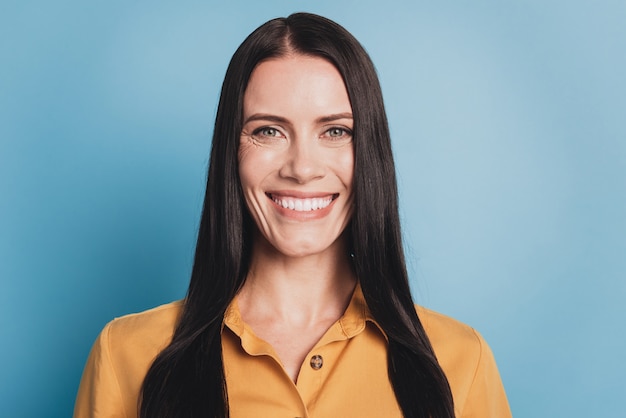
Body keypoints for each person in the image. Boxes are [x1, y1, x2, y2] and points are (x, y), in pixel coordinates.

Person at [74, 12, 511, 418]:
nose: (302, 168)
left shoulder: (460, 361)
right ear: (232, 153)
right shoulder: (127, 355)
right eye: (268, 131)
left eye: (335, 131)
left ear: (370, 155)